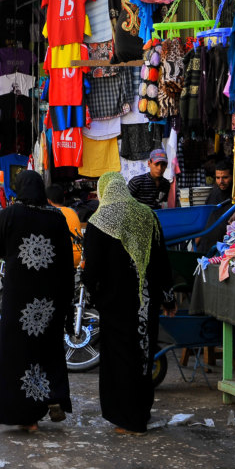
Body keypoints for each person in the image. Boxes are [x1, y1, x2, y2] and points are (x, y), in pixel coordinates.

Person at [81, 171, 176, 435]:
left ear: (104, 191)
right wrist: (168, 298)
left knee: (120, 358)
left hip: (115, 304)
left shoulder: (99, 221)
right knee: (143, 355)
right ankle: (141, 413)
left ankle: (128, 419)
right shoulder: (148, 215)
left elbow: (92, 268)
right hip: (146, 302)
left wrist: (88, 297)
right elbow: (161, 259)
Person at [0, 170, 73, 432]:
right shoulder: (56, 217)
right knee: (47, 349)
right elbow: (66, 262)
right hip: (50, 298)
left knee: (18, 353)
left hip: (19, 298)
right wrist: (67, 301)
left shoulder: (10, 214)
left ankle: (27, 417)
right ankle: (52, 397)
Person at [196, 159, 235, 253]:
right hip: (205, 248)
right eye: (218, 178)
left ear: (233, 176)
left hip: (225, 250)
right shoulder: (213, 194)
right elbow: (203, 221)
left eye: (225, 177)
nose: (221, 181)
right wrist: (195, 245)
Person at [46, 183, 83, 267]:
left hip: (64, 259)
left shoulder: (50, 214)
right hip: (78, 257)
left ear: (48, 201)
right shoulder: (72, 211)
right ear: (64, 199)